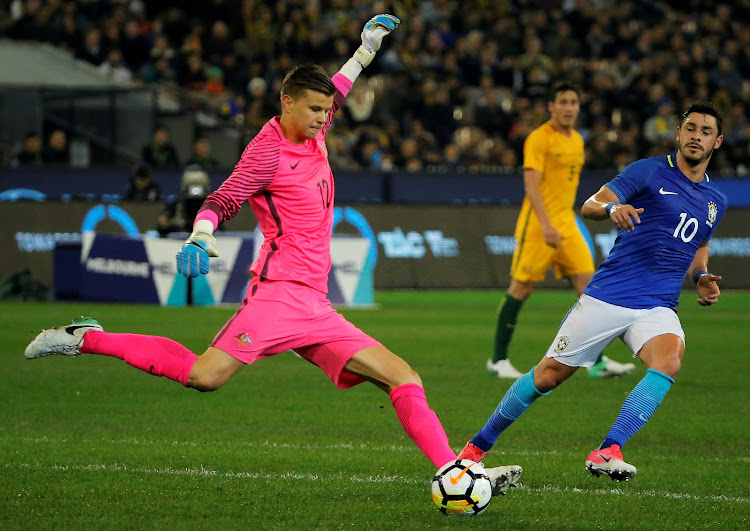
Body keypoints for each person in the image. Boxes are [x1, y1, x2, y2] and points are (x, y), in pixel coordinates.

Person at [24, 14, 522, 496]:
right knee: (205, 376)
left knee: (403, 377)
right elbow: (223, 197)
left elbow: (339, 90)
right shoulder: (267, 150)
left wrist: (364, 51)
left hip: (316, 305)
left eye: (326, 112)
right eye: (312, 110)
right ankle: (87, 339)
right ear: (285, 103)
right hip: (278, 295)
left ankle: (454, 473)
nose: (322, 119)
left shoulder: (315, 129)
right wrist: (201, 234)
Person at [459, 102, 726, 482]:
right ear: (679, 134)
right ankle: (475, 448)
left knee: (669, 361)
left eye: (705, 131)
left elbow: (700, 244)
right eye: (691, 128)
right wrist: (613, 207)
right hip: (609, 296)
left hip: (658, 306)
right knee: (547, 377)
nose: (696, 135)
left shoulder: (716, 200)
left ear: (717, 142)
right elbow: (590, 204)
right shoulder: (648, 170)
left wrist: (700, 275)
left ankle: (607, 449)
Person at [487, 82, 635, 380]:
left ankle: (597, 361)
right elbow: (532, 187)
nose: (569, 108)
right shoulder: (539, 139)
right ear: (551, 107)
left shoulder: (578, 141)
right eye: (563, 102)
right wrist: (546, 224)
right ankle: (498, 360)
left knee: (590, 291)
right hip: (539, 226)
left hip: (568, 224)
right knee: (521, 289)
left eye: (574, 102)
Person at [157, 165, 211, 235]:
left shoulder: (211, 201)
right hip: (182, 233)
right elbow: (163, 225)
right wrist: (164, 223)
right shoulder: (178, 200)